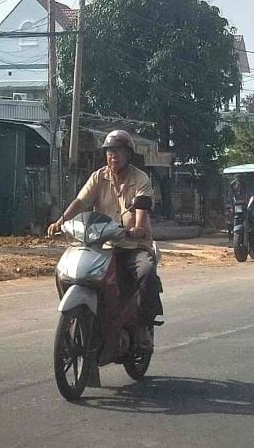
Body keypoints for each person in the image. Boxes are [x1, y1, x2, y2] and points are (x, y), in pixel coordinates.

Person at [47, 129, 162, 351]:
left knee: (146, 274)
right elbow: (81, 202)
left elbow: (141, 209)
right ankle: (79, 317)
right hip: (102, 246)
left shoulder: (141, 179)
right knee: (64, 271)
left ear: (128, 154)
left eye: (118, 151)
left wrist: (137, 228)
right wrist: (60, 221)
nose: (113, 156)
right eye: (109, 152)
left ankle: (143, 328)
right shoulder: (99, 177)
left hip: (133, 245)